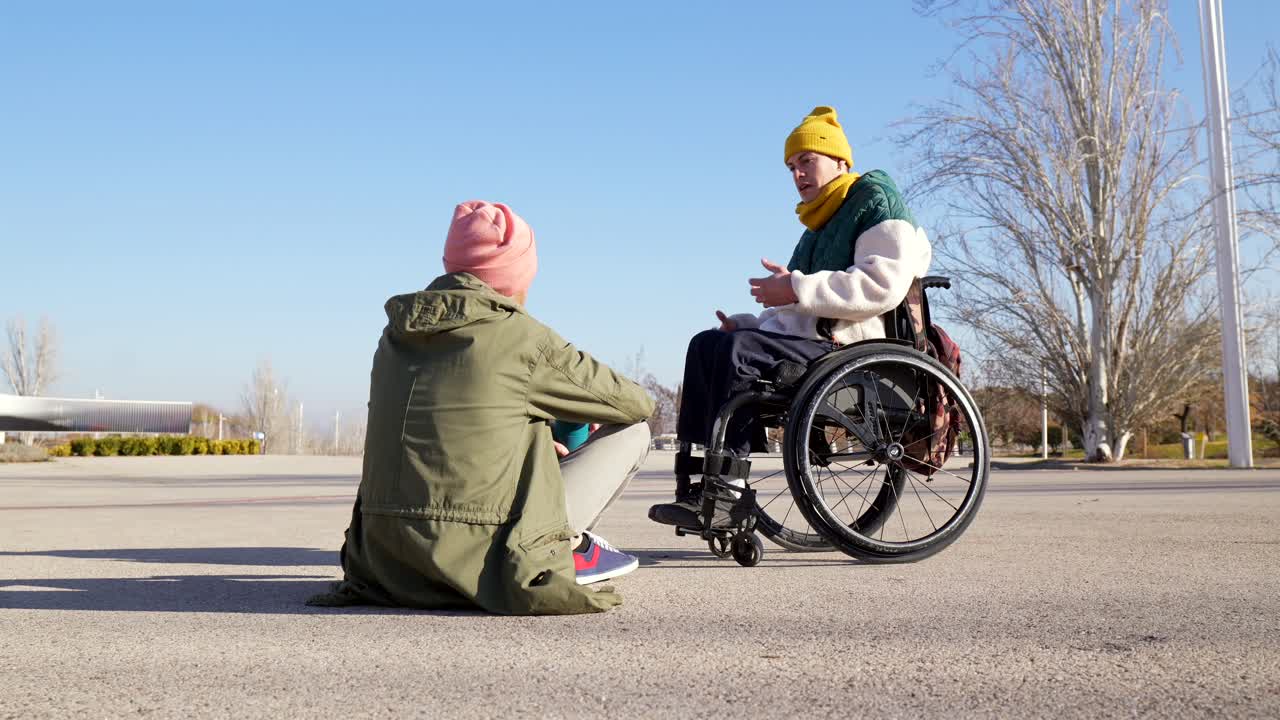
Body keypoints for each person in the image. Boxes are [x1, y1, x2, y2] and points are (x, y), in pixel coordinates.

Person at [309, 200, 654, 615]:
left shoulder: (394, 337)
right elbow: (636, 402)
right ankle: (568, 545)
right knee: (635, 431)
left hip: (385, 562)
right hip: (485, 561)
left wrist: (533, 437)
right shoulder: (523, 338)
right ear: (517, 272)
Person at [649, 106, 933, 528]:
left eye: (807, 161)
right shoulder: (817, 225)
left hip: (854, 349)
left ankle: (729, 492)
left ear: (840, 161)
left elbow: (880, 286)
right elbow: (797, 313)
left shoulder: (876, 201)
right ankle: (698, 488)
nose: (798, 174)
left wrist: (796, 287)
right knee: (708, 343)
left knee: (738, 352)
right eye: (791, 167)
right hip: (817, 344)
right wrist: (752, 322)